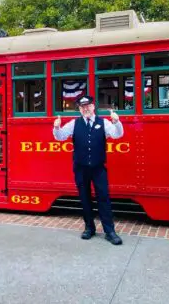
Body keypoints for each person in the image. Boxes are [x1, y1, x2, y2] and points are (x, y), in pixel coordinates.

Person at [53, 95, 124, 245]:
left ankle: (110, 231)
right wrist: (57, 127)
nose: (85, 109)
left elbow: (118, 134)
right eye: (82, 107)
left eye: (88, 106)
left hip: (98, 168)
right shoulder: (74, 123)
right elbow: (60, 137)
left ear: (93, 107)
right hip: (80, 168)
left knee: (103, 198)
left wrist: (116, 122)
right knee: (84, 198)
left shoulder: (103, 122)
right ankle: (89, 228)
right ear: (79, 109)